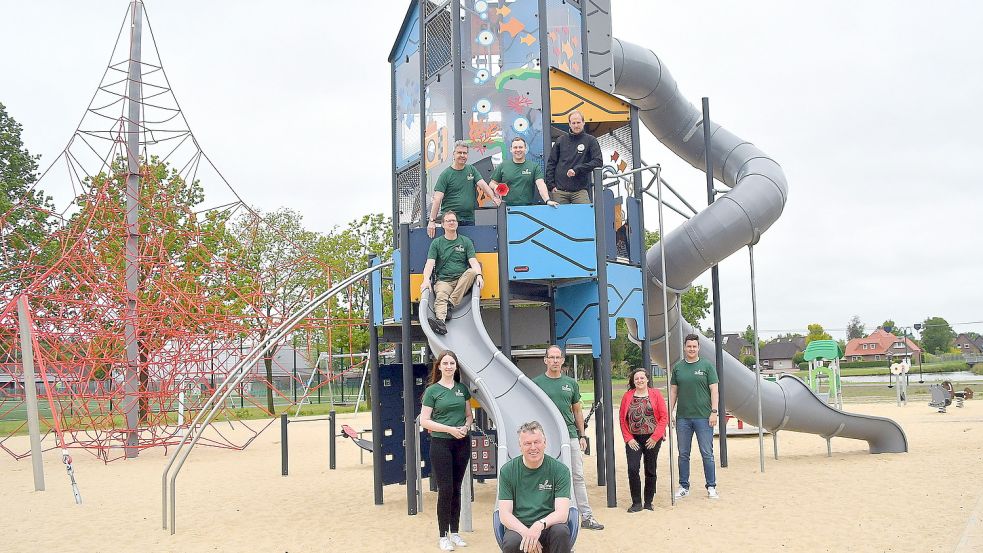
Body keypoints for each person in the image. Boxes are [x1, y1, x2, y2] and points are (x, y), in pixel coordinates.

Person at [531, 345, 603, 531]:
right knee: (545, 477)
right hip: (546, 437)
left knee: (577, 475)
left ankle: (586, 516)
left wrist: (582, 434)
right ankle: (546, 518)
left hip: (569, 434)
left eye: (558, 357)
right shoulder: (536, 383)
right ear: (545, 360)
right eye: (551, 357)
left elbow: (577, 410)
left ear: (563, 360)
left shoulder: (571, 383)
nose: (555, 361)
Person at [420, 350, 474, 551]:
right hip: (441, 443)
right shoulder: (433, 391)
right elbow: (425, 420)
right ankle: (443, 535)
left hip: (461, 443)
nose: (449, 366)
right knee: (446, 489)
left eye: (452, 363)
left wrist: (466, 427)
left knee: (457, 488)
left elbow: (469, 416)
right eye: (446, 363)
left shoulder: (462, 389)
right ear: (439, 366)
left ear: (456, 367)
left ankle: (455, 532)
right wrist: (450, 429)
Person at [498, 421, 572, 553]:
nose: (533, 447)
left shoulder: (560, 470)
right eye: (527, 443)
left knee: (561, 531)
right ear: (520, 446)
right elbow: (504, 514)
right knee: (511, 543)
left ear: (545, 443)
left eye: (537, 442)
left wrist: (539, 525)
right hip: (520, 527)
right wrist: (527, 534)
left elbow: (562, 513)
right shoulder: (508, 471)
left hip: (548, 525)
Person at [669, 334, 720, 500]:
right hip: (683, 418)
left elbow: (714, 390)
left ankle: (711, 486)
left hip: (704, 418)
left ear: (698, 348)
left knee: (707, 453)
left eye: (694, 346)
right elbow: (673, 391)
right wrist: (670, 412)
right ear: (685, 347)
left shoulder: (706, 366)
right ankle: (684, 486)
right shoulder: (678, 367)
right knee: (683, 453)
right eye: (689, 346)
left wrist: (714, 412)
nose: (691, 349)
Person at [421, 210, 484, 335]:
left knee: (472, 272)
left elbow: (473, 261)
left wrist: (479, 275)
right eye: (448, 221)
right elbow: (430, 263)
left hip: (461, 280)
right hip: (444, 280)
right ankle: (440, 322)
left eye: (454, 220)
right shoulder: (437, 243)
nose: (451, 223)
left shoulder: (465, 241)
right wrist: (426, 280)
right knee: (441, 296)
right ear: (443, 224)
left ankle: (451, 304)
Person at [618, 367, 669, 512]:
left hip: (652, 438)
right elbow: (622, 419)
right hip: (633, 438)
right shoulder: (627, 396)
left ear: (647, 379)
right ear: (633, 381)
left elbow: (663, 417)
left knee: (650, 469)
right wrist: (628, 438)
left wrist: (655, 437)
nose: (639, 380)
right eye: (636, 379)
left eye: (642, 378)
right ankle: (636, 502)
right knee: (633, 469)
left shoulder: (656, 394)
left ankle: (648, 501)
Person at [428, 140, 500, 238]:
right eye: (459, 152)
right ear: (453, 154)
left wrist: (494, 198)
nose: (462, 155)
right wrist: (432, 221)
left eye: (465, 153)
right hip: (451, 220)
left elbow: (483, 185)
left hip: (468, 219)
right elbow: (437, 199)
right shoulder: (446, 174)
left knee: (468, 247)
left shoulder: (471, 170)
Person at [545, 110, 602, 205]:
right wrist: (551, 185)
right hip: (560, 191)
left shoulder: (591, 140)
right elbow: (551, 163)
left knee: (584, 216)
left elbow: (598, 161)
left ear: (583, 122)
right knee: (560, 219)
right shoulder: (560, 140)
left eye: (578, 122)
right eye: (573, 123)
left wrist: (578, 169)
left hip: (580, 191)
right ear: (569, 124)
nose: (576, 125)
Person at [489, 136, 558, 207]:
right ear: (511, 149)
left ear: (525, 149)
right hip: (506, 208)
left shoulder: (534, 166)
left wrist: (547, 200)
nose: (518, 150)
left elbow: (540, 184)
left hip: (527, 208)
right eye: (515, 147)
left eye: (520, 147)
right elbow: (491, 184)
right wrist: (496, 187)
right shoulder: (503, 165)